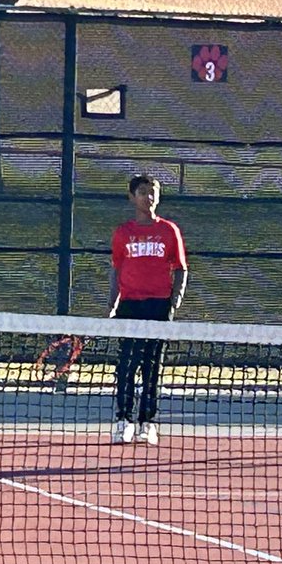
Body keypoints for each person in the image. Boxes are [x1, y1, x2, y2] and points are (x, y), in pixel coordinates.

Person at [109, 174, 188, 446]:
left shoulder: (169, 230)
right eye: (143, 192)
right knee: (126, 365)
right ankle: (124, 420)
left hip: (158, 305)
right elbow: (116, 269)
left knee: (152, 366)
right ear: (132, 197)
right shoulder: (123, 233)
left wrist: (174, 301)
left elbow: (181, 269)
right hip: (130, 305)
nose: (149, 197)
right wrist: (112, 304)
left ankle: (147, 422)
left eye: (153, 192)